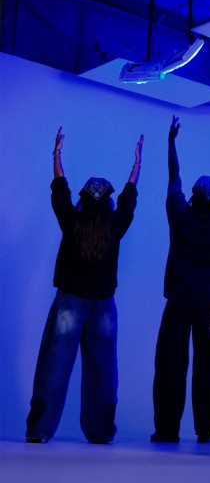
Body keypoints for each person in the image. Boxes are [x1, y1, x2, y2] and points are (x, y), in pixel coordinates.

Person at [26, 126, 143, 444]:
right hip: (103, 304)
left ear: (83, 200)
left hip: (70, 302)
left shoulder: (71, 221)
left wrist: (57, 153)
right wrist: (137, 163)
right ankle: (101, 432)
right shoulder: (116, 225)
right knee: (103, 370)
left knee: (54, 365)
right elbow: (129, 199)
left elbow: (59, 190)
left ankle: (39, 431)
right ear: (107, 204)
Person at [151, 116, 210, 444]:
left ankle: (167, 430)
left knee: (170, 365)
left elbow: (173, 177)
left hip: (178, 301)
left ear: (193, 195)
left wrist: (171, 142)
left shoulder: (179, 214)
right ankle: (206, 430)